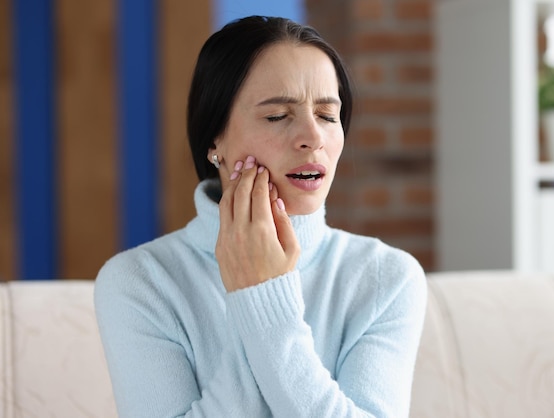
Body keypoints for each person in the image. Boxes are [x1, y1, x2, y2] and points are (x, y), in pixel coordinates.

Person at [95, 15, 427, 418]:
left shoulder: (386, 278)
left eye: (326, 115)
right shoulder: (140, 281)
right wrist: (257, 292)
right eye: (277, 116)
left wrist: (262, 296)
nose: (313, 137)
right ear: (215, 138)